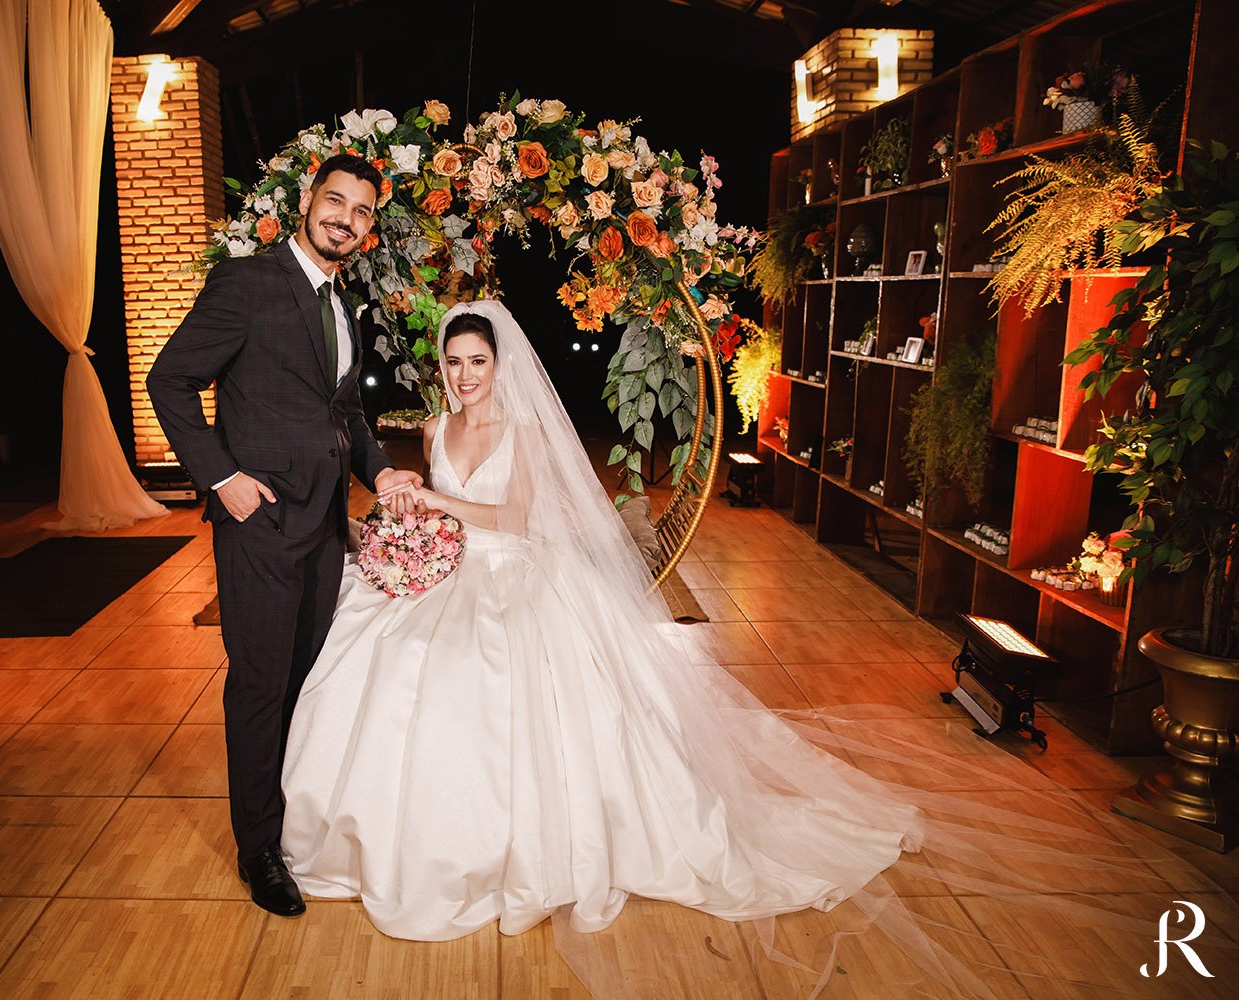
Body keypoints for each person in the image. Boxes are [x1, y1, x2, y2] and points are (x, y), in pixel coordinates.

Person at [279, 301, 1238, 997]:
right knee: (392, 660)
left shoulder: (520, 429)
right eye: (453, 363)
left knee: (490, 678)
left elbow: (520, 521)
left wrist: (439, 502)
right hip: (450, 564)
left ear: (501, 366)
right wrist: (413, 514)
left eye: (476, 363)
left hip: (511, 571)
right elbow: (434, 504)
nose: (463, 377)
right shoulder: (435, 426)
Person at [147, 154, 421, 918]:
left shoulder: (341, 302)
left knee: (306, 680)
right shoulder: (248, 282)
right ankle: (259, 850)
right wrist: (221, 478)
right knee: (261, 686)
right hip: (260, 525)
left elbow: (344, 412)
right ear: (307, 200)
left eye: (362, 211)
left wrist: (380, 471)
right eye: (336, 201)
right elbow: (170, 379)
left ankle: (294, 820)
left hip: (325, 528)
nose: (346, 219)